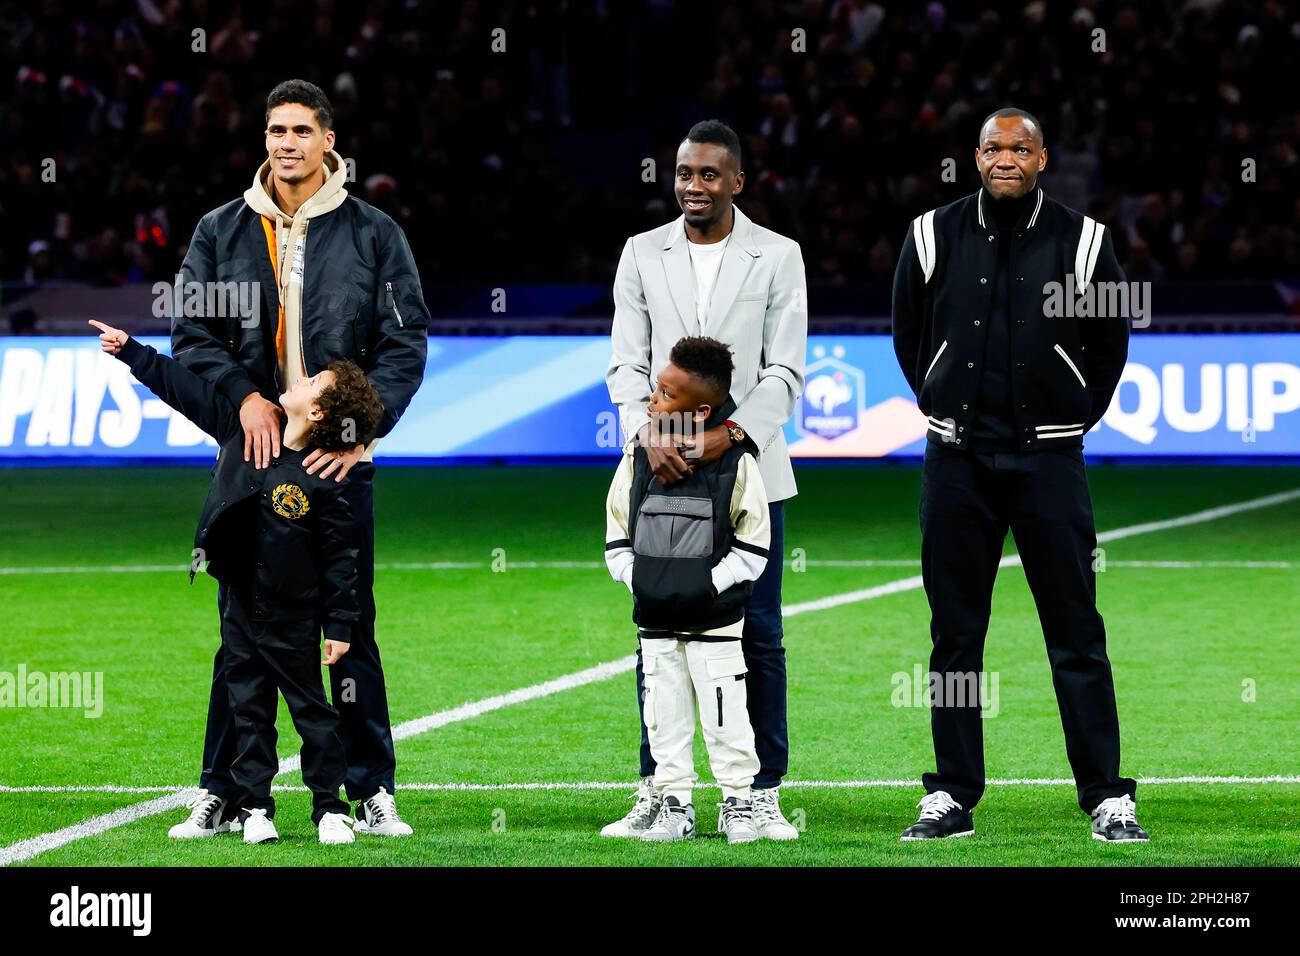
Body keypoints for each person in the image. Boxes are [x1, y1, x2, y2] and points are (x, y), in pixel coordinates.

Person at [166, 79, 428, 838]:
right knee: (240, 628)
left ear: (328, 142)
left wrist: (357, 434)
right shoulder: (220, 231)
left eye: (301, 131)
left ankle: (367, 787)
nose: (286, 143)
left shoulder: (374, 233)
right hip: (251, 451)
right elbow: (192, 335)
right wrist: (244, 399)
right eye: (276, 130)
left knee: (348, 626)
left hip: (338, 457)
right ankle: (222, 788)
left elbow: (403, 344)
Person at [891, 108, 1148, 842]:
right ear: (976, 158)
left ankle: (1106, 794)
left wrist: (1070, 413)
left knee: (1076, 633)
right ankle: (951, 795)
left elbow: (1110, 342)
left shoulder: (1086, 239)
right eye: (994, 148)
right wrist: (942, 397)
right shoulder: (930, 234)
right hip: (957, 463)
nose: (1006, 159)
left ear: (1042, 159)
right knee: (955, 638)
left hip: (1049, 463)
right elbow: (909, 334)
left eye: (1020, 148)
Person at [90, 319, 383, 845]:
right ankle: (254, 809)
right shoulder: (242, 431)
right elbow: (185, 389)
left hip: (295, 614)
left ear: (317, 412)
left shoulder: (323, 481)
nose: (301, 377)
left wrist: (338, 623)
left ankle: (330, 808)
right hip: (240, 610)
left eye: (313, 381)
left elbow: (342, 562)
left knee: (312, 712)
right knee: (249, 711)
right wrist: (133, 352)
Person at [605, 120, 807, 840]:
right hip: (658, 475)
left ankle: (763, 788)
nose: (694, 185)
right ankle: (660, 791)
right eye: (685, 173)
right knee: (659, 627)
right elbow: (627, 364)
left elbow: (785, 367)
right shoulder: (640, 254)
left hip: (749, 469)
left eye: (709, 175)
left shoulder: (778, 256)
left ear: (737, 182)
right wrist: (647, 433)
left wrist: (733, 434)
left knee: (759, 634)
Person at [604, 337, 770, 844]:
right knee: (664, 711)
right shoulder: (635, 459)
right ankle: (674, 804)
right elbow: (616, 535)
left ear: (700, 409)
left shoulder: (736, 462)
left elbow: (755, 545)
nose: (653, 401)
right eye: (656, 388)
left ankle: (738, 803)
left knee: (725, 709)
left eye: (666, 394)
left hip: (717, 619)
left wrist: (704, 586)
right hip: (654, 618)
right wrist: (646, 583)